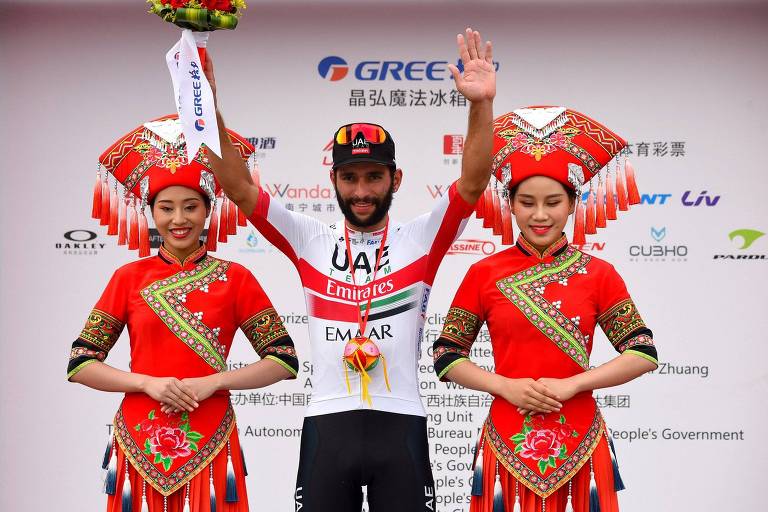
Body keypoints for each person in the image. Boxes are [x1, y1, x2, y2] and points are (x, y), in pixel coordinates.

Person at [203, 28, 496, 512]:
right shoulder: (308, 238)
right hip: (328, 426)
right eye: (350, 177)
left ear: (395, 178)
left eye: (374, 177)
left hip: (400, 424)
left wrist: (480, 104)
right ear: (333, 178)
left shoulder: (422, 238)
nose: (362, 190)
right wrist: (209, 110)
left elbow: (473, 180)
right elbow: (237, 187)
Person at [67, 115, 299, 511]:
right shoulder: (128, 278)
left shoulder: (235, 277)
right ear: (151, 213)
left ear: (208, 211)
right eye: (167, 208)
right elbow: (80, 364)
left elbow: (283, 361)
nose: (179, 219)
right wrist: (147, 383)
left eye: (190, 207)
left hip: (212, 436)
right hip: (140, 436)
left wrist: (213, 383)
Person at [433, 106, 658, 512]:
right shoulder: (483, 273)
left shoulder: (599, 273)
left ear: (572, 203)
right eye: (527, 202)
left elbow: (642, 353)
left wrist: (573, 384)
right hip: (506, 435)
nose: (540, 215)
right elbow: (447, 357)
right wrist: (506, 386)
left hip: (581, 435)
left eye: (553, 202)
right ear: (510, 205)